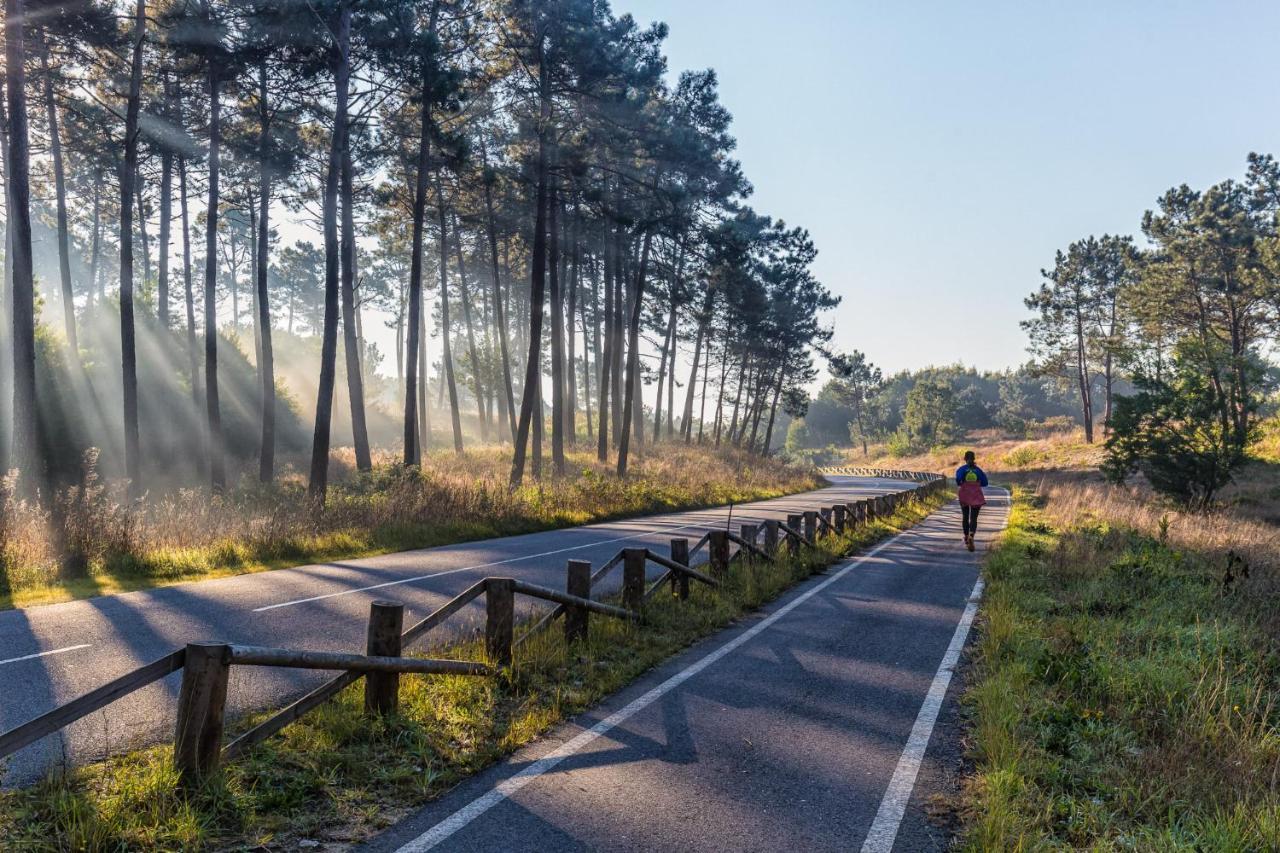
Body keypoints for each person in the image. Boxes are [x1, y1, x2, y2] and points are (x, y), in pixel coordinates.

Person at [955, 450, 988, 551]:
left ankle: (966, 537)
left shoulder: (961, 469)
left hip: (964, 494)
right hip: (976, 495)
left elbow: (958, 480)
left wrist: (963, 484)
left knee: (965, 516)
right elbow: (985, 483)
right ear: (974, 459)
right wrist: (976, 484)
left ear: (965, 459)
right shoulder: (978, 470)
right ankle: (971, 535)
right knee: (974, 518)